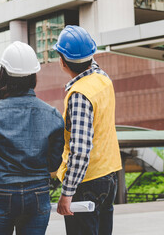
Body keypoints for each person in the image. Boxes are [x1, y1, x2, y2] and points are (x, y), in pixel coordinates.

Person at [0, 41, 64, 235]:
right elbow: (54, 164)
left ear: (3, 74)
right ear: (33, 75)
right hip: (38, 192)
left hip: (1, 190)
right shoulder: (53, 115)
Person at [53, 25, 122, 235]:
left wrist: (67, 192)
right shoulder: (103, 79)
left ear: (62, 61)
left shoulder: (79, 95)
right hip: (109, 175)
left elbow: (81, 149)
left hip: (87, 182)